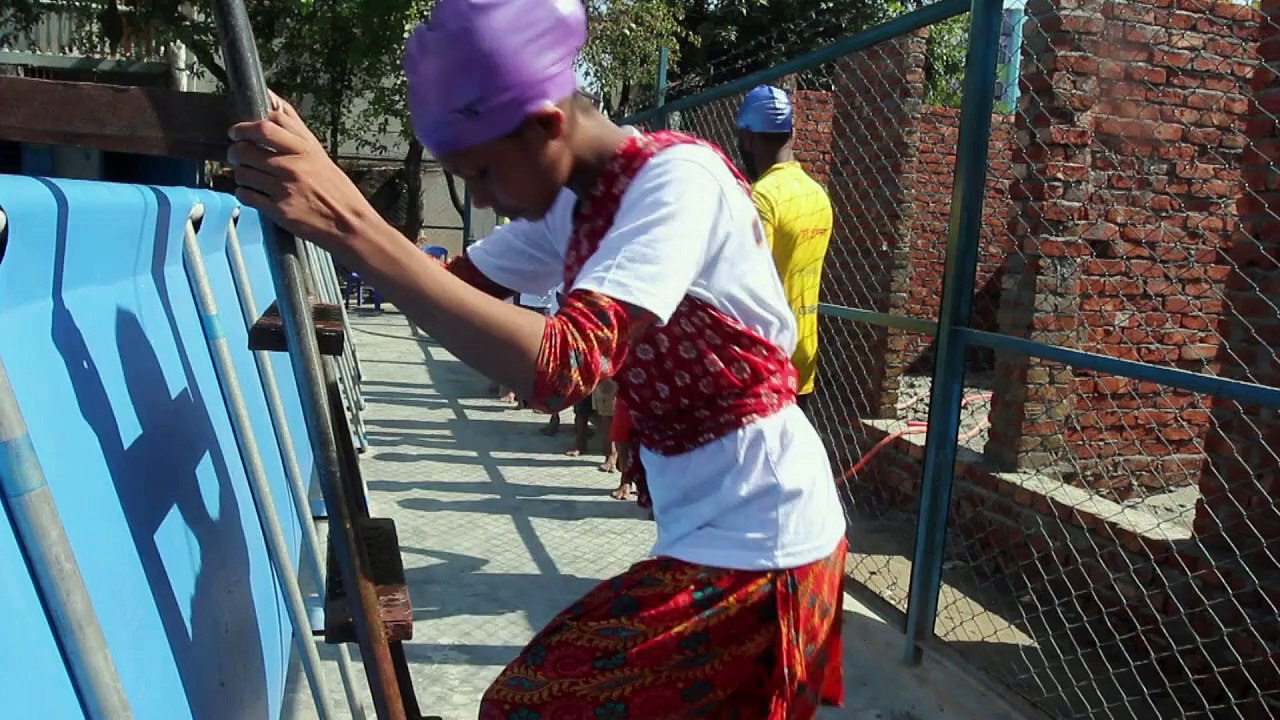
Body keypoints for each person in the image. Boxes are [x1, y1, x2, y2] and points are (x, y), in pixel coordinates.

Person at [225, 0, 847, 715]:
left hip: (763, 540)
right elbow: (449, 289)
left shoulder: (677, 185)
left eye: (483, 172)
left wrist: (351, 221)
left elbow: (562, 366)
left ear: (548, 126)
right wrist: (337, 206)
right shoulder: (572, 205)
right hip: (707, 531)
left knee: (527, 705)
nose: (482, 197)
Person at [737, 85, 834, 413]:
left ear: (748, 139)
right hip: (805, 351)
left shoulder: (761, 197)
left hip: (765, 356)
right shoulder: (816, 193)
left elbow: (747, 283)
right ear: (791, 133)